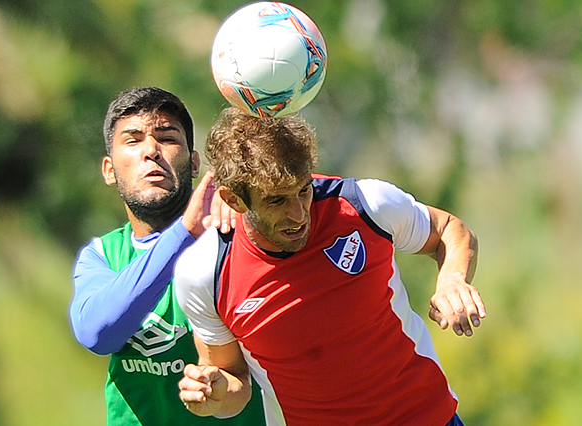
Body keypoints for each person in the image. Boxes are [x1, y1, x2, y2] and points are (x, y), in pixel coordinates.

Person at [174, 107, 486, 425]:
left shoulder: (364, 205)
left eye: (303, 190)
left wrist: (452, 279)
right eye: (277, 201)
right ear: (233, 200)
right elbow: (234, 381)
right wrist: (214, 393)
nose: (298, 214)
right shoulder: (205, 274)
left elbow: (449, 230)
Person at [69, 88, 264, 426]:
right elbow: (96, 333)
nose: (151, 151)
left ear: (193, 163)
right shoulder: (102, 255)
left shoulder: (236, 241)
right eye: (133, 140)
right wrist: (184, 233)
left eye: (167, 137)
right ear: (109, 169)